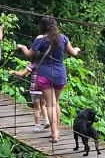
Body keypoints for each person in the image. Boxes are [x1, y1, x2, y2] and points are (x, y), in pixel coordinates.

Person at [18, 16, 79, 144]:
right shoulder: (63, 38)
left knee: (49, 104)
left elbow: (30, 55)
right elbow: (73, 53)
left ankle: (54, 133)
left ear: (42, 26)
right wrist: (77, 50)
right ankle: (57, 132)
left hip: (44, 75)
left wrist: (24, 48)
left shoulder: (40, 39)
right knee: (56, 103)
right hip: (59, 75)